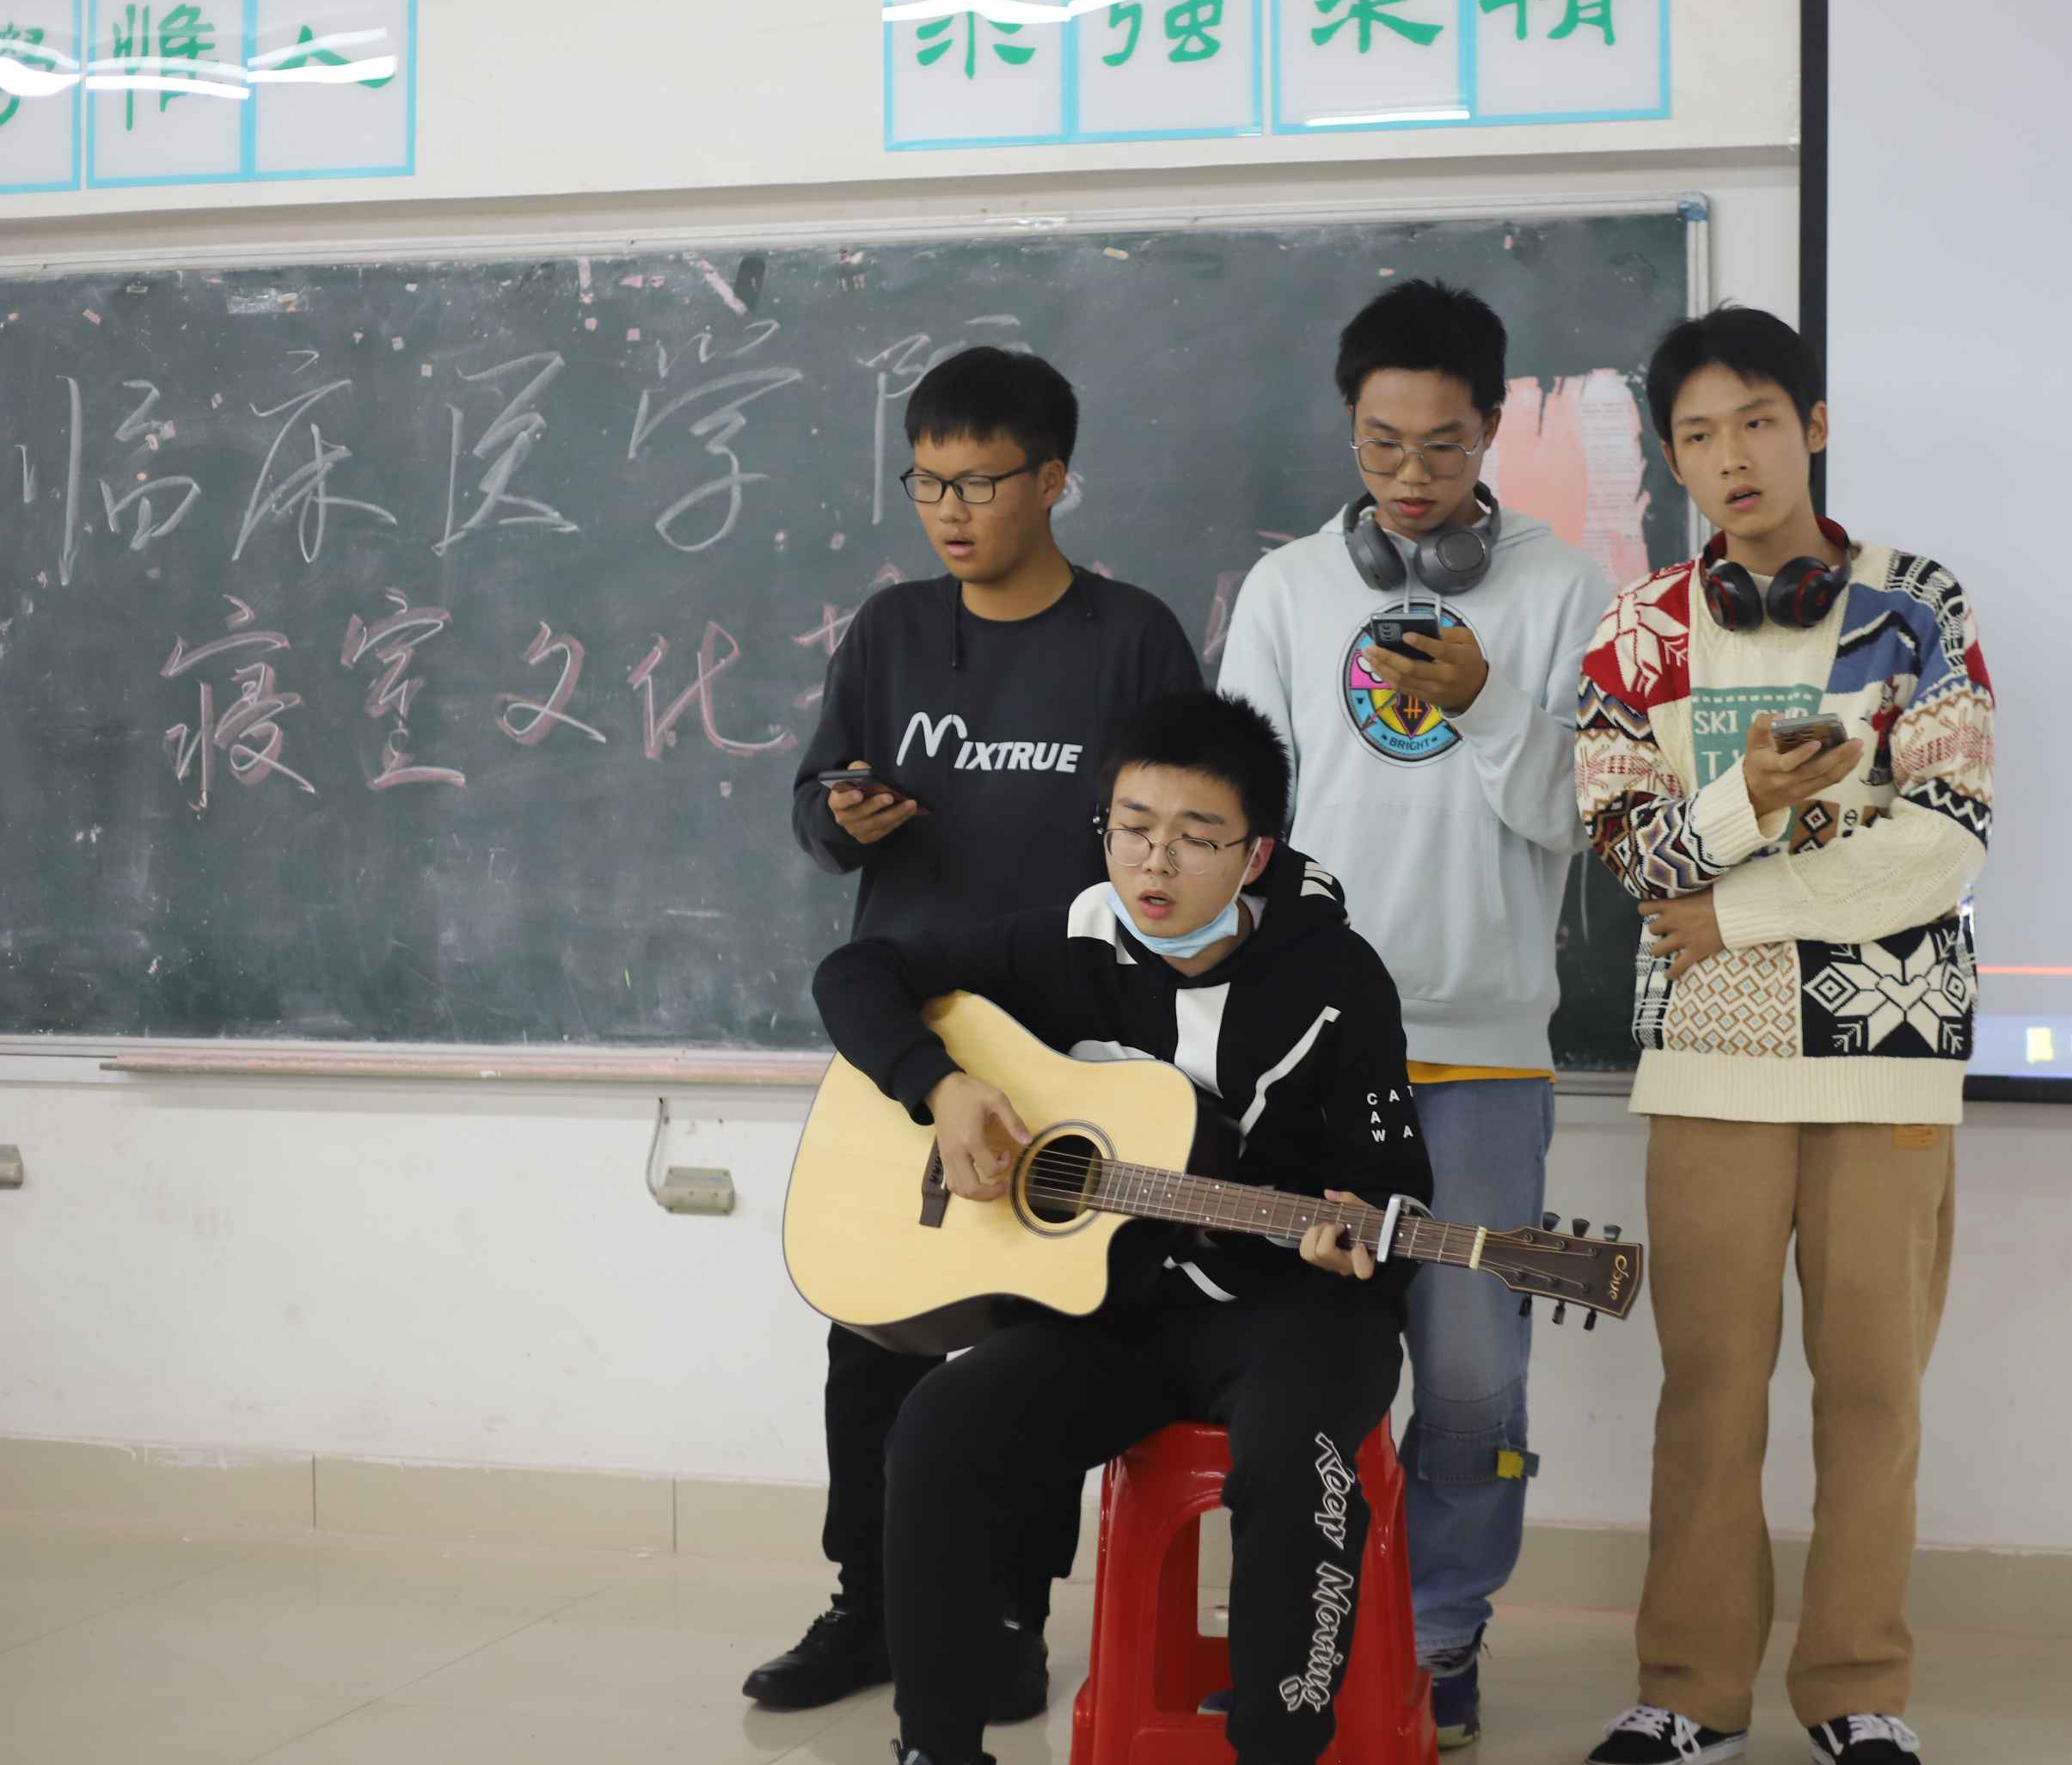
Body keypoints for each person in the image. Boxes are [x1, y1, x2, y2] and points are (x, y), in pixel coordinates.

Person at [812, 689, 1433, 1765]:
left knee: (1295, 1457)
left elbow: (1390, 1181)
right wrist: (941, 1086)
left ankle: (1276, 1747)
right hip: (1114, 1312)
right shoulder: (1070, 939)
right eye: (1131, 828)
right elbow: (855, 972)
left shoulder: (1335, 977)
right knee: (936, 1427)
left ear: (1254, 853)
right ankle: (935, 1747)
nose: (1154, 863)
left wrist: (1357, 1228)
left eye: (1194, 837)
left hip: (1291, 1311)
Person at [753, 346, 1203, 1713]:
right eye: (927, 483)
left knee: (1032, 1329)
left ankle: (1008, 1614)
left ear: (1052, 479)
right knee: (869, 1322)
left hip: (1070, 1055)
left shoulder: (1131, 639)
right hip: (905, 1037)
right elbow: (815, 812)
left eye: (980, 483)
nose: (950, 511)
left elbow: (1182, 831)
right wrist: (840, 817)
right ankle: (869, 1605)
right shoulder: (892, 632)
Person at [1572, 307, 1994, 1765]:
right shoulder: (1635, 632)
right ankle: (1686, 1690)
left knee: (1872, 1388)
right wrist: (1743, 801)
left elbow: (1943, 840)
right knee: (1708, 1386)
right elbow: (1630, 855)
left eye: (1754, 420)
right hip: (1709, 1055)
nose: (1729, 457)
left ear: (1809, 425)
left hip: (1886, 1048)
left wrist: (1738, 905)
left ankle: (1857, 1689)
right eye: (1695, 434)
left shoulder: (1915, 602)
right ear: (1671, 457)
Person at [1217, 278, 1612, 1746]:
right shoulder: (1284, 593)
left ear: (1491, 427)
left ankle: (1443, 1634)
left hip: (1482, 1050)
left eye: (1441, 445)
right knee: (1296, 1363)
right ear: (1349, 427)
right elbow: (1240, 824)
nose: (1409, 474)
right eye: (1381, 443)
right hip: (1308, 1059)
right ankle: (1293, 1631)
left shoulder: (1564, 590)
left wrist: (1488, 699)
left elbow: (1580, 815)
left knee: (1468, 1375)